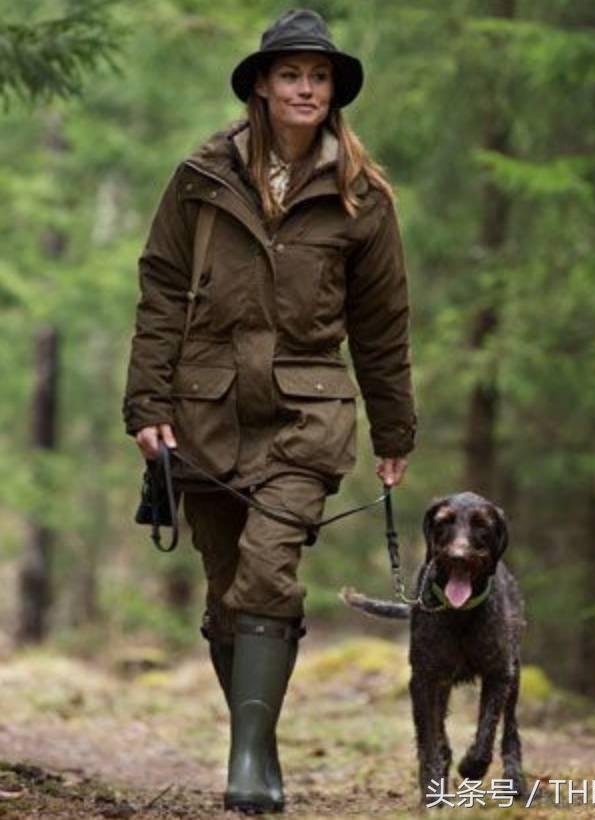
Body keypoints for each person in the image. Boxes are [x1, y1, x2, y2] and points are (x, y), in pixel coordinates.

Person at [122, 8, 416, 814]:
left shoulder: (362, 196)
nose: (306, 88)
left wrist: (394, 430)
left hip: (306, 413)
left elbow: (382, 326)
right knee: (226, 593)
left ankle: (249, 765)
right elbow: (158, 289)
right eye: (291, 74)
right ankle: (258, 737)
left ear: (334, 92)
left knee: (267, 570)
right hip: (204, 410)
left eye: (318, 77)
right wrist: (146, 399)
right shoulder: (201, 178)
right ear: (261, 84)